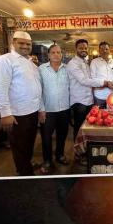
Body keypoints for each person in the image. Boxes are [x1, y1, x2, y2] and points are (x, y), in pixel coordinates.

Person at [0, 31, 42, 176]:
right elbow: (0, 88)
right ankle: (24, 173)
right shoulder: (4, 60)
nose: (25, 46)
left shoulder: (30, 63)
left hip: (32, 111)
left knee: (29, 142)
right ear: (13, 43)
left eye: (28, 44)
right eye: (21, 43)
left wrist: (39, 109)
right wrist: (5, 113)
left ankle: (27, 163)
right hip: (17, 113)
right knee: (19, 146)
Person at [66, 39, 113, 165]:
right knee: (79, 129)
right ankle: (78, 154)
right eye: (81, 48)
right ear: (76, 49)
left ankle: (85, 151)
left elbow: (90, 80)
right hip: (78, 101)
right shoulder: (73, 64)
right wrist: (104, 82)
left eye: (85, 48)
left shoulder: (85, 62)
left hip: (88, 100)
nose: (83, 50)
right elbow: (84, 80)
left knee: (86, 128)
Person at [38, 44, 70, 174]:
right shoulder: (41, 69)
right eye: (53, 52)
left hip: (65, 109)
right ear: (48, 55)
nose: (56, 55)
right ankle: (47, 160)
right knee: (46, 137)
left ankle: (60, 155)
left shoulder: (67, 69)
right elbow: (38, 90)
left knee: (62, 135)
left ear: (62, 54)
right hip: (48, 110)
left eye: (59, 52)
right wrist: (41, 109)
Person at [90, 41, 113, 108]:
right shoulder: (94, 62)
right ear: (99, 51)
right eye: (102, 49)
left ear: (109, 50)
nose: (104, 51)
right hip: (100, 96)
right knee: (100, 116)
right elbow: (92, 79)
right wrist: (106, 84)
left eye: (106, 49)